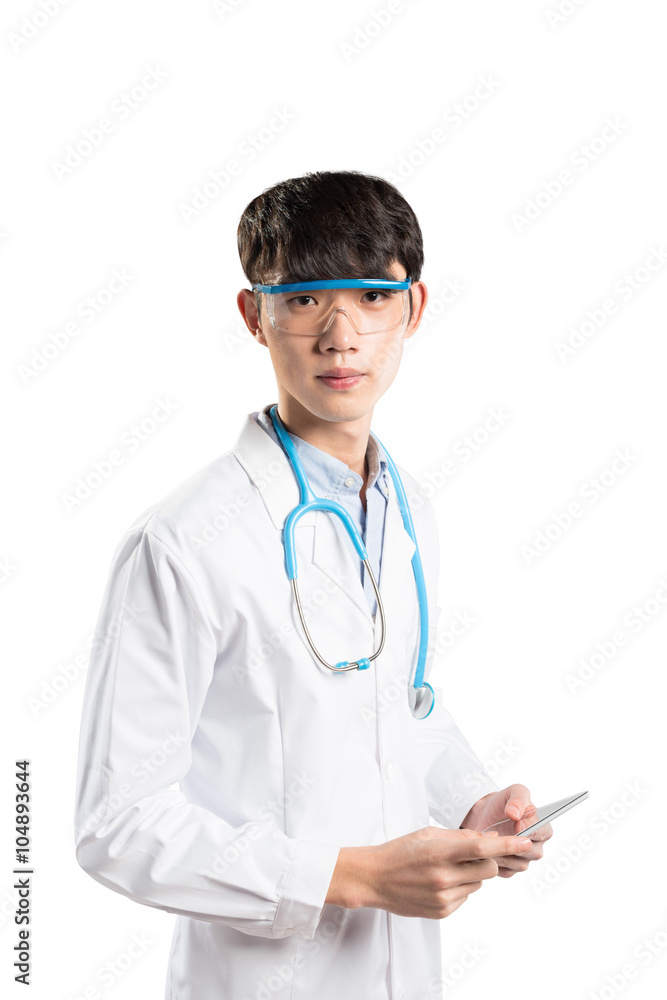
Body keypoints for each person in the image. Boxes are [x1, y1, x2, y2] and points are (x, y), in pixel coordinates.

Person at [74, 170, 552, 1000]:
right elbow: (116, 825)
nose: (341, 335)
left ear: (415, 306)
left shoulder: (405, 508)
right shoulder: (182, 542)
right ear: (253, 316)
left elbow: (393, 705)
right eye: (302, 300)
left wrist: (469, 800)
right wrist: (354, 876)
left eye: (371, 296)